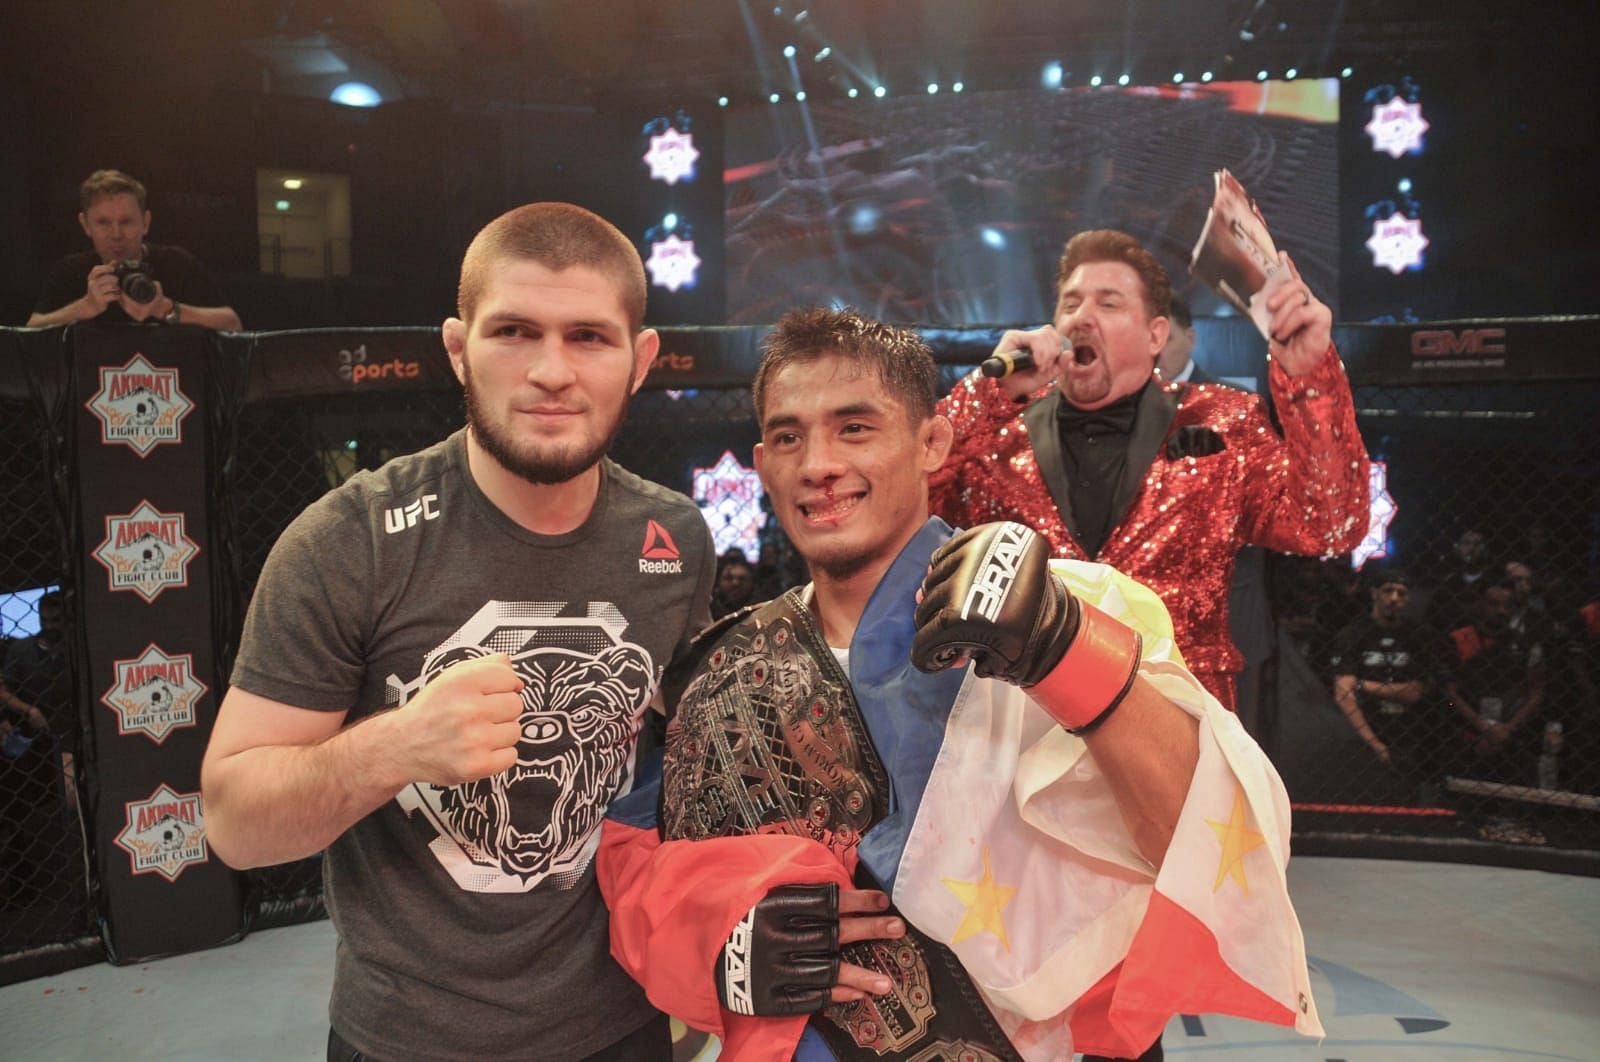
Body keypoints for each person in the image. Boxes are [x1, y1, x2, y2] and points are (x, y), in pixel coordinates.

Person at [597, 308, 1322, 1062]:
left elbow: (1210, 839)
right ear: (762, 462)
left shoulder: (1084, 605)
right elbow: (634, 867)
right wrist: (723, 943)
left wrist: (1064, 650)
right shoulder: (723, 671)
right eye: (788, 437)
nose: (817, 463)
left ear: (933, 443)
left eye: (855, 428)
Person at [200, 202, 715, 1061]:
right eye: (514, 331)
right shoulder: (348, 540)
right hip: (408, 1039)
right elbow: (235, 826)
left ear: (641, 361)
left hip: (623, 1023)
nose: (552, 371)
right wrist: (398, 744)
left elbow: (689, 768)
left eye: (589, 336)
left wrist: (705, 951)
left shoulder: (672, 539)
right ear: (456, 348)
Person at [931, 229, 1370, 709]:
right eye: (1071, 303)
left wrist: (1311, 381)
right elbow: (909, 492)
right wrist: (988, 392)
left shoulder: (1222, 419)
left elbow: (1329, 527)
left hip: (1177, 720)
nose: (1081, 318)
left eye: (1109, 304)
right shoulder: (996, 433)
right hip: (1024, 726)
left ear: (1156, 335)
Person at [27, 169, 241, 331]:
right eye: (103, 222)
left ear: (145, 222)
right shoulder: (69, 271)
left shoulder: (176, 263)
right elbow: (30, 331)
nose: (116, 233)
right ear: (85, 225)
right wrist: (84, 307)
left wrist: (166, 309)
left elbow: (233, 324)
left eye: (126, 221)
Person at [1327, 570, 1452, 803]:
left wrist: (1363, 685)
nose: (1394, 598)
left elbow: (1414, 693)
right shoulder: (1353, 634)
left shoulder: (1418, 635)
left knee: (1408, 798)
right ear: (1374, 593)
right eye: (1388, 591)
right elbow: (1343, 693)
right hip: (1363, 731)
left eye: (1401, 593)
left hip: (1410, 733)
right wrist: (1375, 744)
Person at [1446, 579, 1545, 785]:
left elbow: (1535, 694)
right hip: (1467, 733)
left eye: (1507, 606)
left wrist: (1507, 730)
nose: (1501, 611)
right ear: (1479, 604)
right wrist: (1483, 727)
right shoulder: (1458, 640)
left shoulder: (1525, 645)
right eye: (1493, 604)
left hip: (1512, 734)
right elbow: (1450, 694)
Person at [711, 549, 759, 619]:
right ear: (718, 582)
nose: (735, 583)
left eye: (742, 579)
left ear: (751, 583)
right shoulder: (707, 612)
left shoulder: (761, 610)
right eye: (729, 578)